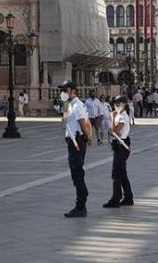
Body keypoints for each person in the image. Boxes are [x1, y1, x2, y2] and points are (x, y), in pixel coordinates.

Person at [60, 80, 92, 218]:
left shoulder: (77, 105)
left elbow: (84, 123)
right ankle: (81, 200)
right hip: (73, 141)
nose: (63, 93)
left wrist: (88, 136)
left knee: (77, 173)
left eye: (65, 90)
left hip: (77, 141)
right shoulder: (72, 105)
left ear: (73, 90)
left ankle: (81, 205)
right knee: (76, 172)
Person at [103, 95, 134, 208]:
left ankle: (116, 199)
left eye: (118, 103)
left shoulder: (121, 117)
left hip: (121, 146)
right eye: (115, 103)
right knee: (122, 173)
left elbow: (114, 132)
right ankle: (128, 197)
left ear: (124, 104)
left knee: (116, 174)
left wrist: (111, 119)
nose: (115, 106)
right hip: (121, 145)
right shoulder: (121, 115)